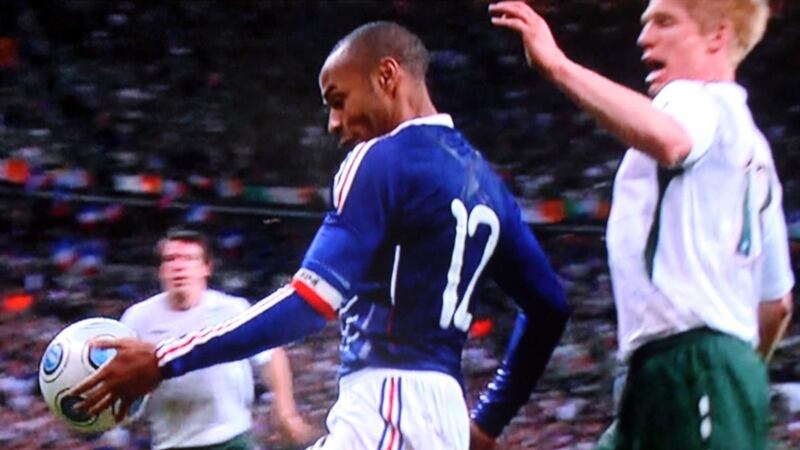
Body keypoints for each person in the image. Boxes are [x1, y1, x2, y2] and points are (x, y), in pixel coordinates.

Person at [72, 22, 570, 450]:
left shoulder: (380, 159)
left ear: (387, 76)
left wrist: (163, 358)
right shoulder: (487, 182)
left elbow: (309, 303)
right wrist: (488, 421)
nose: (333, 123)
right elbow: (549, 306)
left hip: (387, 407)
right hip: (441, 411)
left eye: (338, 100)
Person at [489, 1, 795, 449]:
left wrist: (556, 65)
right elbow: (778, 304)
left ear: (717, 37)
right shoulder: (757, 151)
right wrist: (739, 370)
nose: (644, 37)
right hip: (690, 372)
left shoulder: (692, 98)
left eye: (664, 22)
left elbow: (671, 142)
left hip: (688, 365)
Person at [120, 228, 314, 449]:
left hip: (231, 439)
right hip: (170, 443)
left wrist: (285, 410)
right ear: (161, 270)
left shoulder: (231, 309)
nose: (179, 266)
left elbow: (271, 356)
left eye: (189, 259)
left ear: (206, 268)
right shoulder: (138, 318)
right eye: (170, 259)